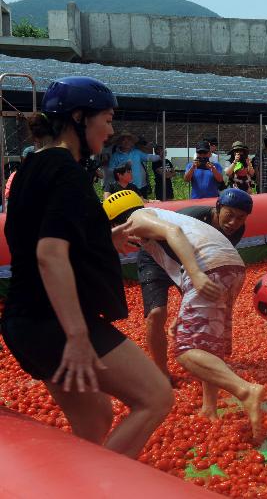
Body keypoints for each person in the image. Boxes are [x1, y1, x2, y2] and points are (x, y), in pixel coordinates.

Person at [1, 76, 173, 459]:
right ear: (79, 118)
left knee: (95, 419)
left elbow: (36, 238)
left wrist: (103, 241)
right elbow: (48, 253)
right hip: (54, 323)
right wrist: (77, 336)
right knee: (156, 396)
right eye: (107, 119)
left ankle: (76, 482)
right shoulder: (66, 172)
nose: (110, 130)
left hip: (24, 322)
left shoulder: (31, 167)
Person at [104, 190, 264, 440]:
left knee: (186, 350)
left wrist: (197, 275)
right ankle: (209, 408)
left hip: (207, 267)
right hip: (232, 268)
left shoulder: (138, 218)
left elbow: (174, 234)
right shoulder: (168, 216)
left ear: (116, 222)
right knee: (207, 344)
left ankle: (245, 391)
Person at [136, 188, 252, 378]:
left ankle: (203, 364)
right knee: (156, 314)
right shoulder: (194, 216)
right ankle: (161, 371)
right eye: (229, 215)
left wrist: (186, 307)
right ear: (218, 207)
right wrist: (195, 276)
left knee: (203, 311)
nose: (233, 223)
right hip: (157, 258)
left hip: (192, 265)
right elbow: (168, 233)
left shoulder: (236, 231)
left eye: (240, 218)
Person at [108, 131, 159, 197]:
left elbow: (148, 157)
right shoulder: (115, 156)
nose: (127, 142)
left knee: (143, 205)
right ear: (119, 142)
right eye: (123, 140)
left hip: (141, 186)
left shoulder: (137, 152)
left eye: (129, 140)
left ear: (132, 142)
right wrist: (122, 168)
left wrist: (160, 157)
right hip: (125, 188)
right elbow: (111, 171)